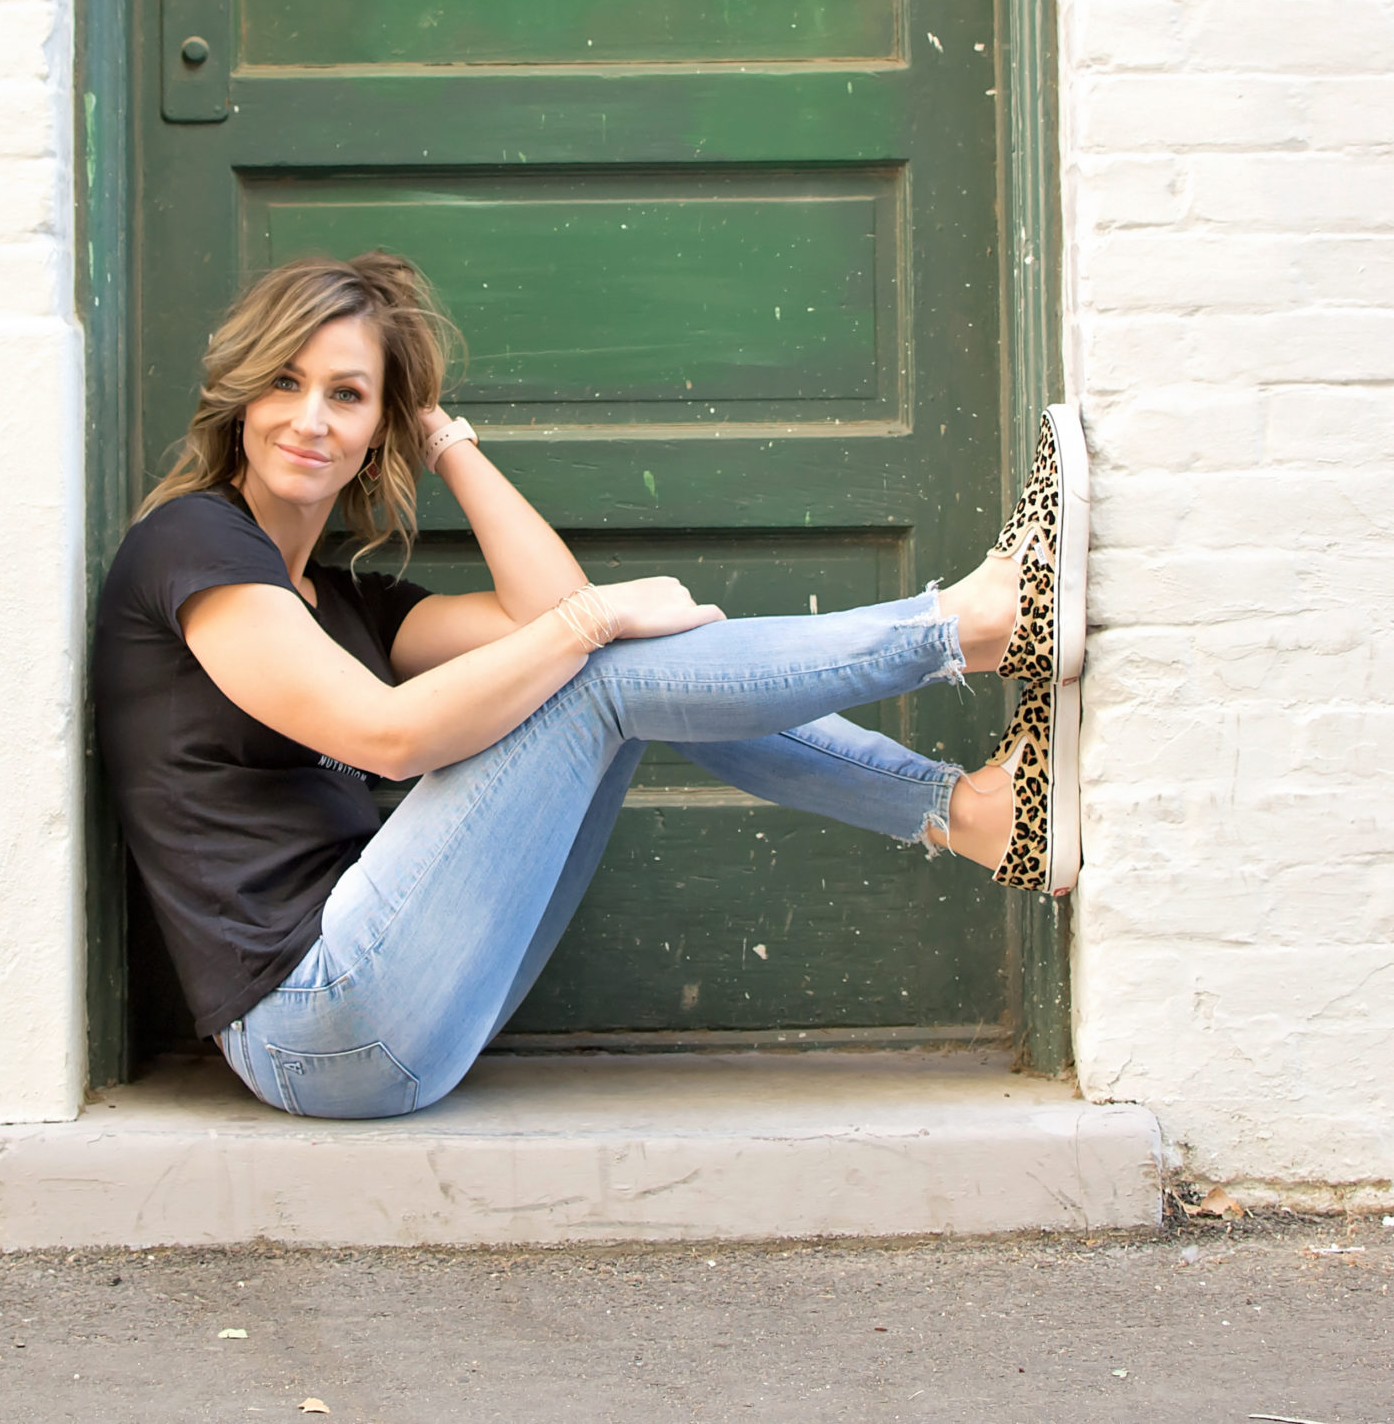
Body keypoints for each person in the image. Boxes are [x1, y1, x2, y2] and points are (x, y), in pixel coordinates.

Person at [93, 252, 1088, 1120]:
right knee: (589, 656)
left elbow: (554, 611)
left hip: (414, 999)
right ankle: (968, 631)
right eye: (284, 383)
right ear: (240, 399)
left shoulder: (352, 605)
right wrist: (587, 623)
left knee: (593, 659)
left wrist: (440, 437)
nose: (310, 419)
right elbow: (386, 739)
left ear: (376, 423)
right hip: (312, 1022)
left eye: (348, 395)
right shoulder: (191, 545)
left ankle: (972, 810)